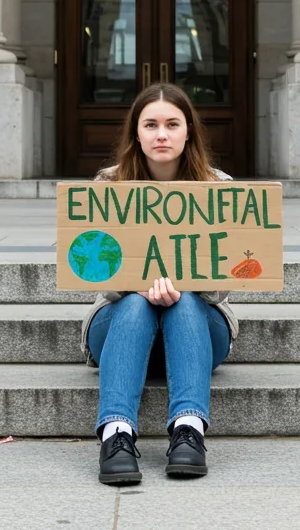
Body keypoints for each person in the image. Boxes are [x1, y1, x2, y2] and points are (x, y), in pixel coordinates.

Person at [85, 82, 236, 486]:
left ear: (189, 131)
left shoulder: (219, 186)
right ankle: (116, 436)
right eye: (150, 124)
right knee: (136, 303)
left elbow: (224, 285)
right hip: (120, 327)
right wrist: (134, 287)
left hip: (199, 330)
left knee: (183, 300)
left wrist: (185, 287)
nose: (162, 134)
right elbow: (94, 278)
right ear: (137, 132)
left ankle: (189, 431)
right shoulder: (107, 186)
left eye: (172, 124)